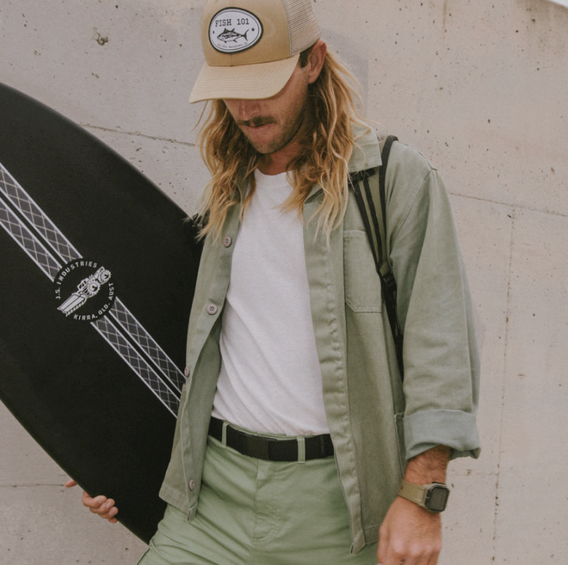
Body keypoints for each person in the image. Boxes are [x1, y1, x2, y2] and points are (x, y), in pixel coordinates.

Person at [64, 1, 481, 564]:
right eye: (231, 87)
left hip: (338, 515)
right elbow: (178, 344)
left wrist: (423, 497)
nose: (246, 106)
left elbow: (441, 344)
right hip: (210, 504)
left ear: (314, 62)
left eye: (265, 83)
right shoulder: (223, 197)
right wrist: (118, 458)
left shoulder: (390, 180)